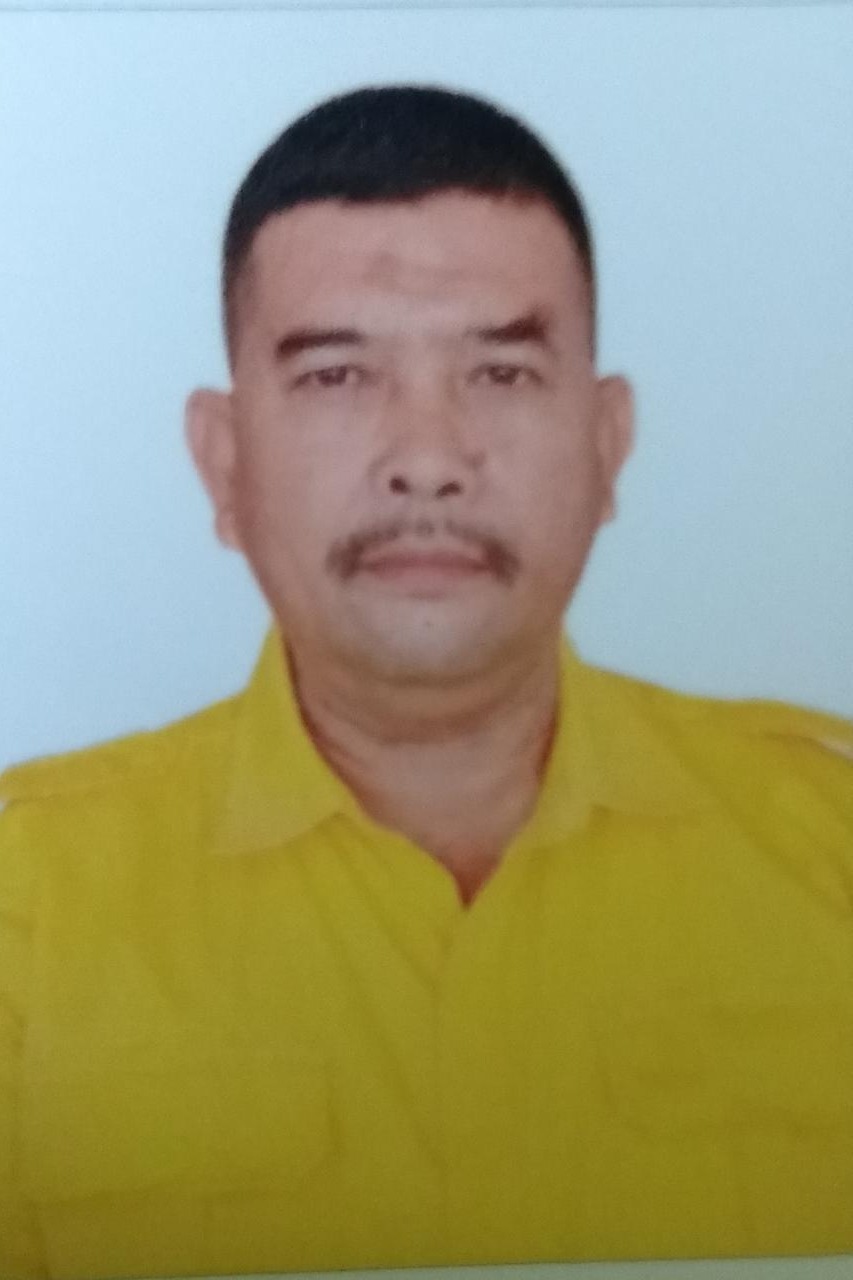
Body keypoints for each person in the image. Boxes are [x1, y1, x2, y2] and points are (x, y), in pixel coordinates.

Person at [1, 83, 851, 1280]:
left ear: (606, 444)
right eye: (337, 376)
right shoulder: (29, 903)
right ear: (225, 464)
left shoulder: (828, 838)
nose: (428, 460)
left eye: (500, 373)